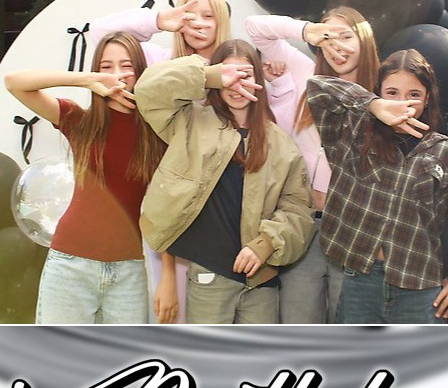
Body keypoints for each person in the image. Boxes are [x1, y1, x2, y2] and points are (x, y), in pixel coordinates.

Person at [307, 49, 448, 324]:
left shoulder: (443, 152)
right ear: (379, 92)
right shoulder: (352, 133)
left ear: (427, 98)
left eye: (414, 94)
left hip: (419, 288)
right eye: (392, 92)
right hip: (360, 279)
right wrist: (372, 105)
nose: (402, 103)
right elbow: (317, 88)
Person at [134, 41, 315, 325]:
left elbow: (299, 209)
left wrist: (266, 243)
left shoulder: (281, 144)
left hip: (261, 281)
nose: (236, 83)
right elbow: (148, 89)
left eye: (245, 74)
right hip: (209, 274)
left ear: (258, 79)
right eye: (228, 74)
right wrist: (208, 75)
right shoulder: (189, 121)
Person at [88, 0, 232, 325]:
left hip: (223, 207)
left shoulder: (235, 65)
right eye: (190, 15)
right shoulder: (159, 62)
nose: (198, 23)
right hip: (171, 204)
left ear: (222, 21)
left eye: (208, 15)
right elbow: (100, 32)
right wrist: (160, 19)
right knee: (170, 311)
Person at [4, 34, 162, 325]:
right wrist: (87, 80)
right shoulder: (80, 121)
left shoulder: (156, 133)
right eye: (106, 66)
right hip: (70, 266)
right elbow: (14, 82)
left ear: (140, 71)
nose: (116, 75)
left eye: (126, 65)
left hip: (128, 271)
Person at [245, 7, 380, 322]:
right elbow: (255, 27)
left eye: (346, 36)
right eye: (328, 39)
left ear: (365, 39)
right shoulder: (306, 72)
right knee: (298, 323)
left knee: (349, 326)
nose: (337, 47)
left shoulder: (380, 92)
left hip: (353, 229)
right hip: (302, 224)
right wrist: (307, 30)